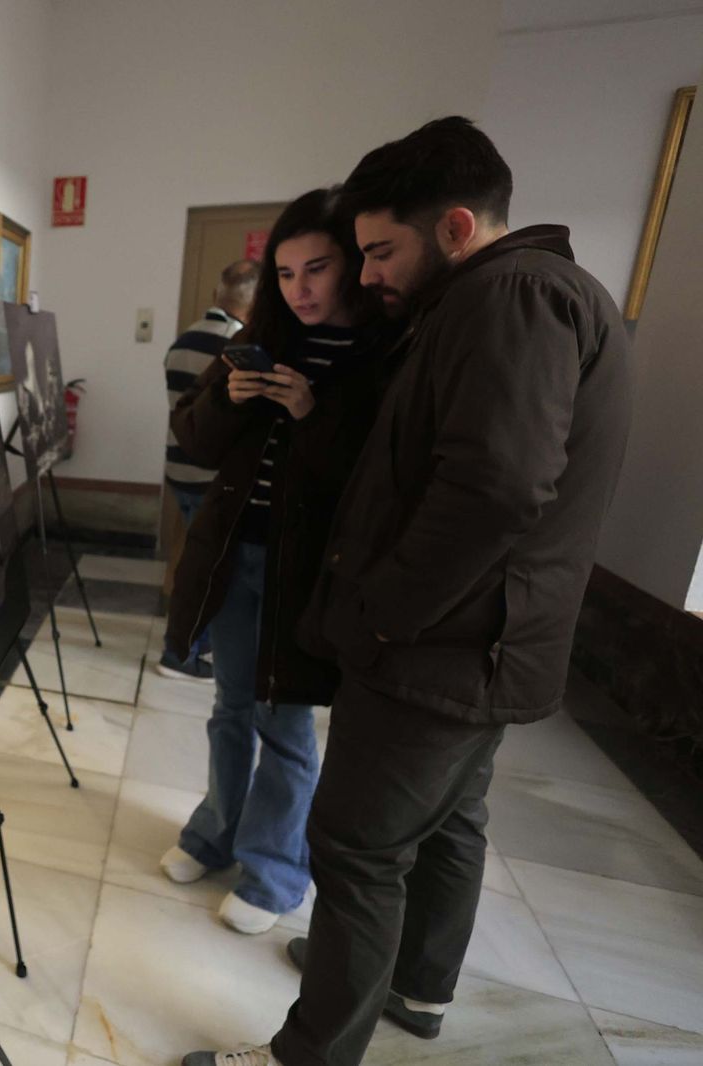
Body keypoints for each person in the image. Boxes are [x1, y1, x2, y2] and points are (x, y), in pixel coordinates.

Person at [185, 117, 632, 1066]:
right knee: (446, 823)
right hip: (482, 643)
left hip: (439, 647)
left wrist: (378, 612)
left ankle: (308, 1053)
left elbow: (494, 488)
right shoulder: (537, 293)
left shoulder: (508, 297)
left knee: (355, 848)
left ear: (458, 228)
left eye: (380, 251)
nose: (368, 274)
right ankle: (416, 987)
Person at [158, 188, 388, 936]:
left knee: (285, 722)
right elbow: (193, 438)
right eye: (286, 274)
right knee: (228, 706)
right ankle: (214, 834)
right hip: (233, 555)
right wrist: (233, 395)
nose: (300, 289)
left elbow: (372, 481)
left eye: (316, 269)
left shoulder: (382, 352)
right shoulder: (259, 339)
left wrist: (308, 413)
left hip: (308, 572)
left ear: (350, 265)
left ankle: (276, 872)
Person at [158, 258, 260, 681]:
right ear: (251, 304)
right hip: (209, 472)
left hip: (178, 467)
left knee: (194, 560)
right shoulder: (235, 346)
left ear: (219, 294)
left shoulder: (183, 339)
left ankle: (190, 643)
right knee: (210, 569)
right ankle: (183, 652)